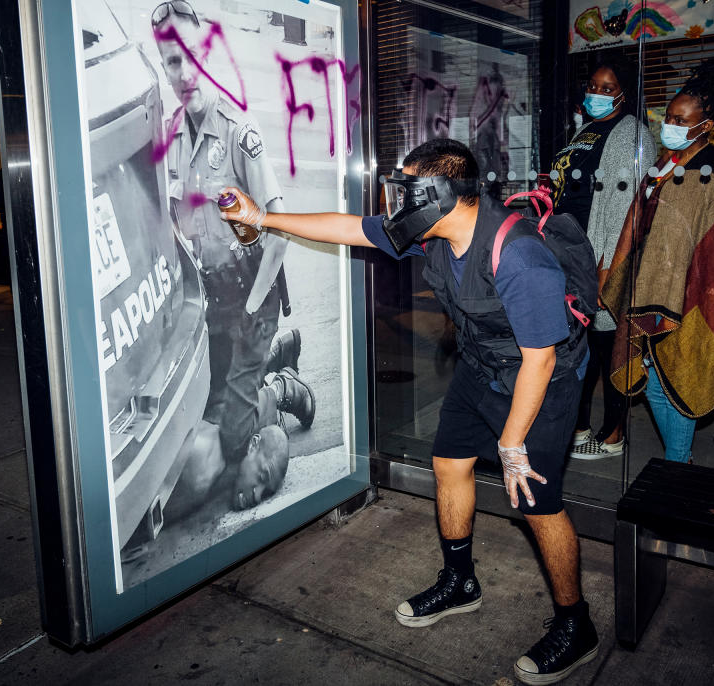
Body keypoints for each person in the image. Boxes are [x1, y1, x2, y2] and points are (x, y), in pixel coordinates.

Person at [219, 138, 599, 685]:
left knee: (537, 502)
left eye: (406, 190)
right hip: (482, 362)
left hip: (543, 379)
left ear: (437, 194)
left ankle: (575, 623)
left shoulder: (518, 256)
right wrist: (262, 217)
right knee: (449, 464)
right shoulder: (435, 234)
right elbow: (349, 228)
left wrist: (512, 444)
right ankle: (460, 580)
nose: (395, 203)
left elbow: (539, 359)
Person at [153, 0, 314, 509]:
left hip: (251, 301)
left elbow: (280, 230)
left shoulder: (238, 131)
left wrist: (250, 314)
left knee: (229, 440)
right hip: (210, 309)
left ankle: (284, 390)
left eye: (191, 56)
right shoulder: (172, 139)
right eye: (171, 61)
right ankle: (272, 361)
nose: (183, 72)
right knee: (210, 411)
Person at [601, 58, 714, 463]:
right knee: (656, 380)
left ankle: (679, 462)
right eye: (669, 116)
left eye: (683, 120)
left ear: (706, 125)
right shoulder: (669, 163)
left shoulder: (705, 172)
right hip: (655, 287)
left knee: (676, 379)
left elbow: (694, 243)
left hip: (687, 294)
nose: (672, 125)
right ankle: (677, 459)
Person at [551, 55, 656, 460]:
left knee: (610, 347)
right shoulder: (587, 130)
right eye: (592, 86)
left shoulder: (634, 138)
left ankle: (613, 434)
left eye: (607, 88)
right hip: (571, 253)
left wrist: (607, 266)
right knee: (578, 346)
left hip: (601, 257)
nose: (596, 93)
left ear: (624, 94)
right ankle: (578, 427)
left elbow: (628, 209)